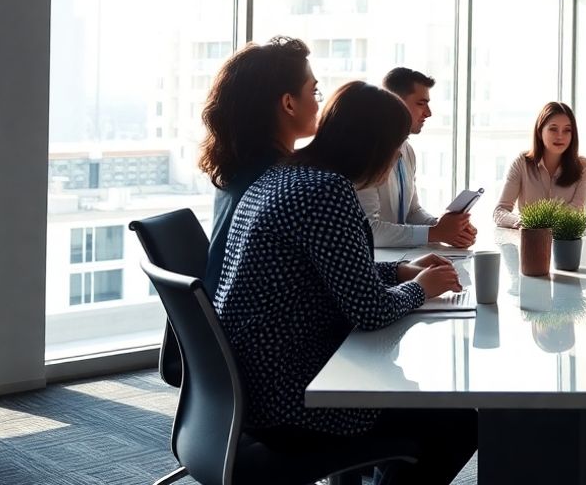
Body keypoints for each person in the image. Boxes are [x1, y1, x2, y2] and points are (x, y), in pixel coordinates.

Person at [214, 81, 476, 485]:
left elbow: (328, 273)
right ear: (372, 147)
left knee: (416, 401)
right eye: (392, 150)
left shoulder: (283, 175)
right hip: (295, 397)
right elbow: (369, 311)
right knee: (456, 424)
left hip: (250, 389)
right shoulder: (327, 191)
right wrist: (422, 287)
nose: (392, 163)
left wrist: (401, 271)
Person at [199, 36, 318, 296]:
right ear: (288, 103)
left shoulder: (237, 168)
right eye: (313, 91)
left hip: (220, 317)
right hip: (258, 327)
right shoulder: (283, 183)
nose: (318, 103)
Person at [358, 67, 477, 249]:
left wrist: (447, 228)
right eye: (421, 104)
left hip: (401, 258)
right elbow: (371, 231)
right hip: (375, 263)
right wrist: (435, 233)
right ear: (395, 102)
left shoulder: (407, 150)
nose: (428, 113)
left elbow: (412, 212)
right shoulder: (366, 154)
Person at [493, 102, 586, 228]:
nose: (560, 136)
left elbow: (577, 212)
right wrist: (521, 221)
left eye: (567, 130)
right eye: (553, 129)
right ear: (540, 132)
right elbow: (500, 211)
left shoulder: (584, 167)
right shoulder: (521, 163)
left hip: (567, 243)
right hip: (530, 242)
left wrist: (535, 222)